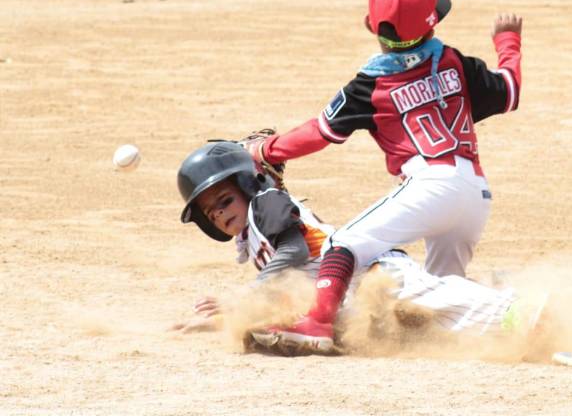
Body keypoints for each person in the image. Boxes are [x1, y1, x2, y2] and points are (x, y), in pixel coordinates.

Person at [246, 0, 524, 352]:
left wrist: (265, 150)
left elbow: (319, 132)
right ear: (432, 24)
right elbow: (509, 91)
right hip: (476, 193)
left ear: (374, 29)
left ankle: (318, 323)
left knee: (342, 244)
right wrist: (508, 42)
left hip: (431, 184)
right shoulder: (455, 62)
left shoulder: (370, 84)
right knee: (436, 297)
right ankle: (514, 315)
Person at [174, 141, 545, 351]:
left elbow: (295, 253)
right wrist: (221, 321)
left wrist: (244, 299)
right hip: (348, 295)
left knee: (431, 297)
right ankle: (505, 295)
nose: (219, 215)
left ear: (246, 185)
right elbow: (289, 290)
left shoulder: (265, 204)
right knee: (435, 329)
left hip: (373, 273)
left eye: (224, 201)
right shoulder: (254, 236)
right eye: (210, 212)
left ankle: (521, 309)